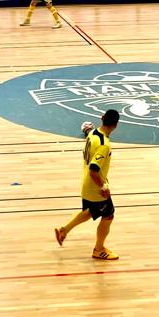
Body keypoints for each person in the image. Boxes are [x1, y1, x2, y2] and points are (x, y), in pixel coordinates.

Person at [54, 108, 120, 261]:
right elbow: (94, 170)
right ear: (116, 125)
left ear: (102, 117)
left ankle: (63, 230)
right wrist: (103, 187)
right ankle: (99, 249)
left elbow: (88, 131)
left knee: (90, 212)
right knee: (108, 216)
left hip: (86, 185)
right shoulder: (104, 144)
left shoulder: (92, 134)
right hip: (95, 188)